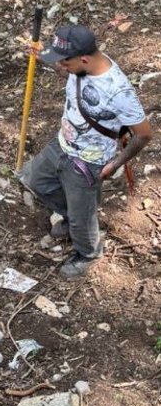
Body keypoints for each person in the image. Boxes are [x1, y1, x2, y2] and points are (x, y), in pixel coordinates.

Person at [21, 24, 152, 278]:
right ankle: (74, 216)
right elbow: (65, 71)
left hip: (88, 162)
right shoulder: (81, 66)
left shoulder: (118, 91)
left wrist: (114, 164)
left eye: (64, 63)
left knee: (84, 219)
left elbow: (145, 134)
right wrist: (41, 56)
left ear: (83, 59)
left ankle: (88, 253)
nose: (61, 67)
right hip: (62, 144)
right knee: (35, 180)